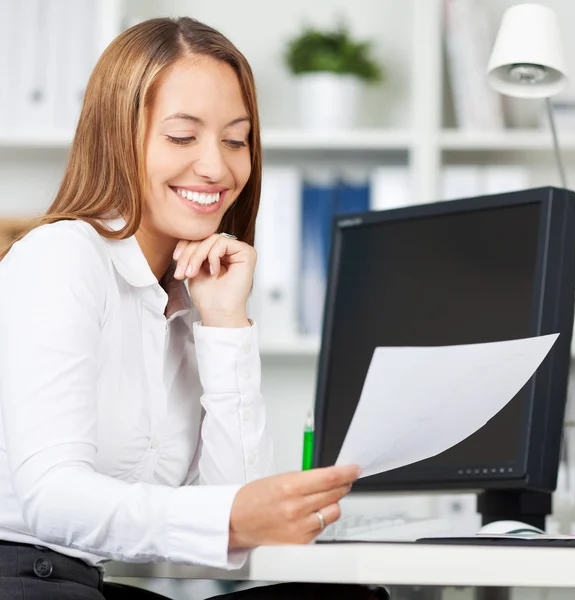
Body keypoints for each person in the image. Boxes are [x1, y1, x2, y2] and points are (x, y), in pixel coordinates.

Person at [0, 15, 387, 600]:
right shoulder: (62, 255)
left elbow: (249, 534)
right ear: (117, 137)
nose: (217, 167)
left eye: (236, 140)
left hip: (87, 583)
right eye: (183, 137)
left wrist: (227, 324)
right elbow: (51, 498)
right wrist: (230, 519)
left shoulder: (185, 298)